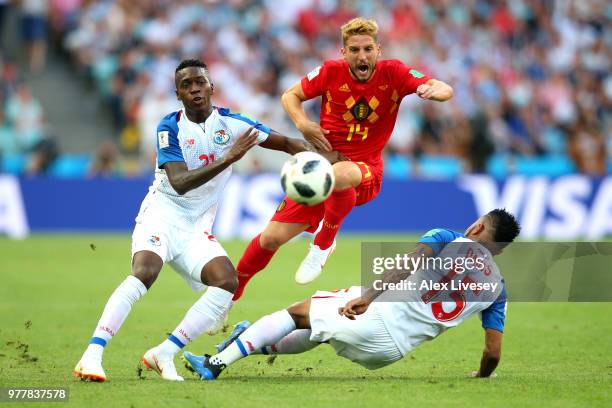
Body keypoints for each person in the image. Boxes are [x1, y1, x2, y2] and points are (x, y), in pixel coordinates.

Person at [73, 59, 339, 382]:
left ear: (212, 86)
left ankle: (164, 353)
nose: (195, 89)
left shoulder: (234, 124)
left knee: (227, 282)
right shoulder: (169, 128)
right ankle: (93, 354)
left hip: (196, 229)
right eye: (186, 85)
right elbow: (180, 182)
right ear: (178, 94)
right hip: (161, 216)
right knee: (144, 273)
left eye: (200, 82)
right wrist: (229, 158)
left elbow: (287, 143)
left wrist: (322, 157)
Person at [233, 17, 454, 297]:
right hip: (321, 169)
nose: (362, 56)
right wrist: (303, 124)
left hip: (365, 172)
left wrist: (435, 91)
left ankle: (323, 242)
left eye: (367, 49)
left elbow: (444, 88)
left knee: (339, 175)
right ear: (344, 52)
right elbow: (290, 95)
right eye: (355, 50)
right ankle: (229, 295)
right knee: (270, 238)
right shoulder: (330, 72)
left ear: (378, 50)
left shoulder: (395, 73)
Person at [182, 209, 520, 380]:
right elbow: (492, 352)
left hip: (380, 313)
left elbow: (405, 265)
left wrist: (369, 297)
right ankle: (247, 340)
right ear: (501, 252)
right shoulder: (498, 288)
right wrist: (482, 376)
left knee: (297, 313)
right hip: (390, 352)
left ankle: (215, 364)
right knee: (315, 330)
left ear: (477, 228)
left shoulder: (447, 236)